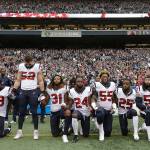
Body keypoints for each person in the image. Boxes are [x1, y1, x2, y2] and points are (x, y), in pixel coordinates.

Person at [12, 55, 47, 140]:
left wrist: (42, 92)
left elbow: (41, 80)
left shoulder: (37, 66)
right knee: (21, 112)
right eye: (26, 62)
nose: (28, 64)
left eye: (29, 62)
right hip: (23, 91)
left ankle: (35, 131)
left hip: (33, 91)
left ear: (32, 60)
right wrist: (14, 89)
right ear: (24, 61)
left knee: (34, 112)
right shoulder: (21, 66)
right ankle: (19, 131)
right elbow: (18, 80)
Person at [91, 70, 117, 141]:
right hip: (101, 108)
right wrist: (95, 107)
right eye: (103, 77)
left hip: (108, 110)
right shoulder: (97, 85)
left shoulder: (112, 84)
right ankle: (101, 132)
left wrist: (114, 108)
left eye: (106, 76)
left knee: (108, 132)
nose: (105, 78)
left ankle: (102, 127)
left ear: (108, 77)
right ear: (100, 78)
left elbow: (114, 98)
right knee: (100, 112)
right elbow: (93, 97)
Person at [46, 75, 71, 143]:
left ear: (60, 80)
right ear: (53, 80)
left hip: (61, 109)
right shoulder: (49, 88)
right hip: (53, 111)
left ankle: (65, 129)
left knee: (64, 113)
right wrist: (42, 98)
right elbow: (46, 100)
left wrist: (65, 104)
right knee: (54, 134)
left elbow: (68, 99)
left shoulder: (64, 87)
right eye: (55, 79)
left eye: (58, 79)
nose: (56, 80)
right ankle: (67, 128)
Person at [67, 76, 92, 143]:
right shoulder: (71, 91)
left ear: (83, 82)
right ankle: (75, 135)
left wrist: (91, 106)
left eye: (81, 81)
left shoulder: (88, 89)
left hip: (86, 112)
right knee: (74, 114)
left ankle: (81, 128)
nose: (80, 83)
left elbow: (91, 98)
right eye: (78, 81)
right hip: (78, 111)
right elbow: (71, 102)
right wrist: (68, 109)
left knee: (86, 134)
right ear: (75, 82)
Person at [136, 75, 150, 141]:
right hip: (144, 109)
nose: (148, 81)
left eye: (149, 80)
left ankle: (144, 126)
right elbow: (138, 103)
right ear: (144, 80)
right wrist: (146, 107)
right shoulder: (140, 88)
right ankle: (149, 135)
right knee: (149, 113)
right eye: (147, 80)